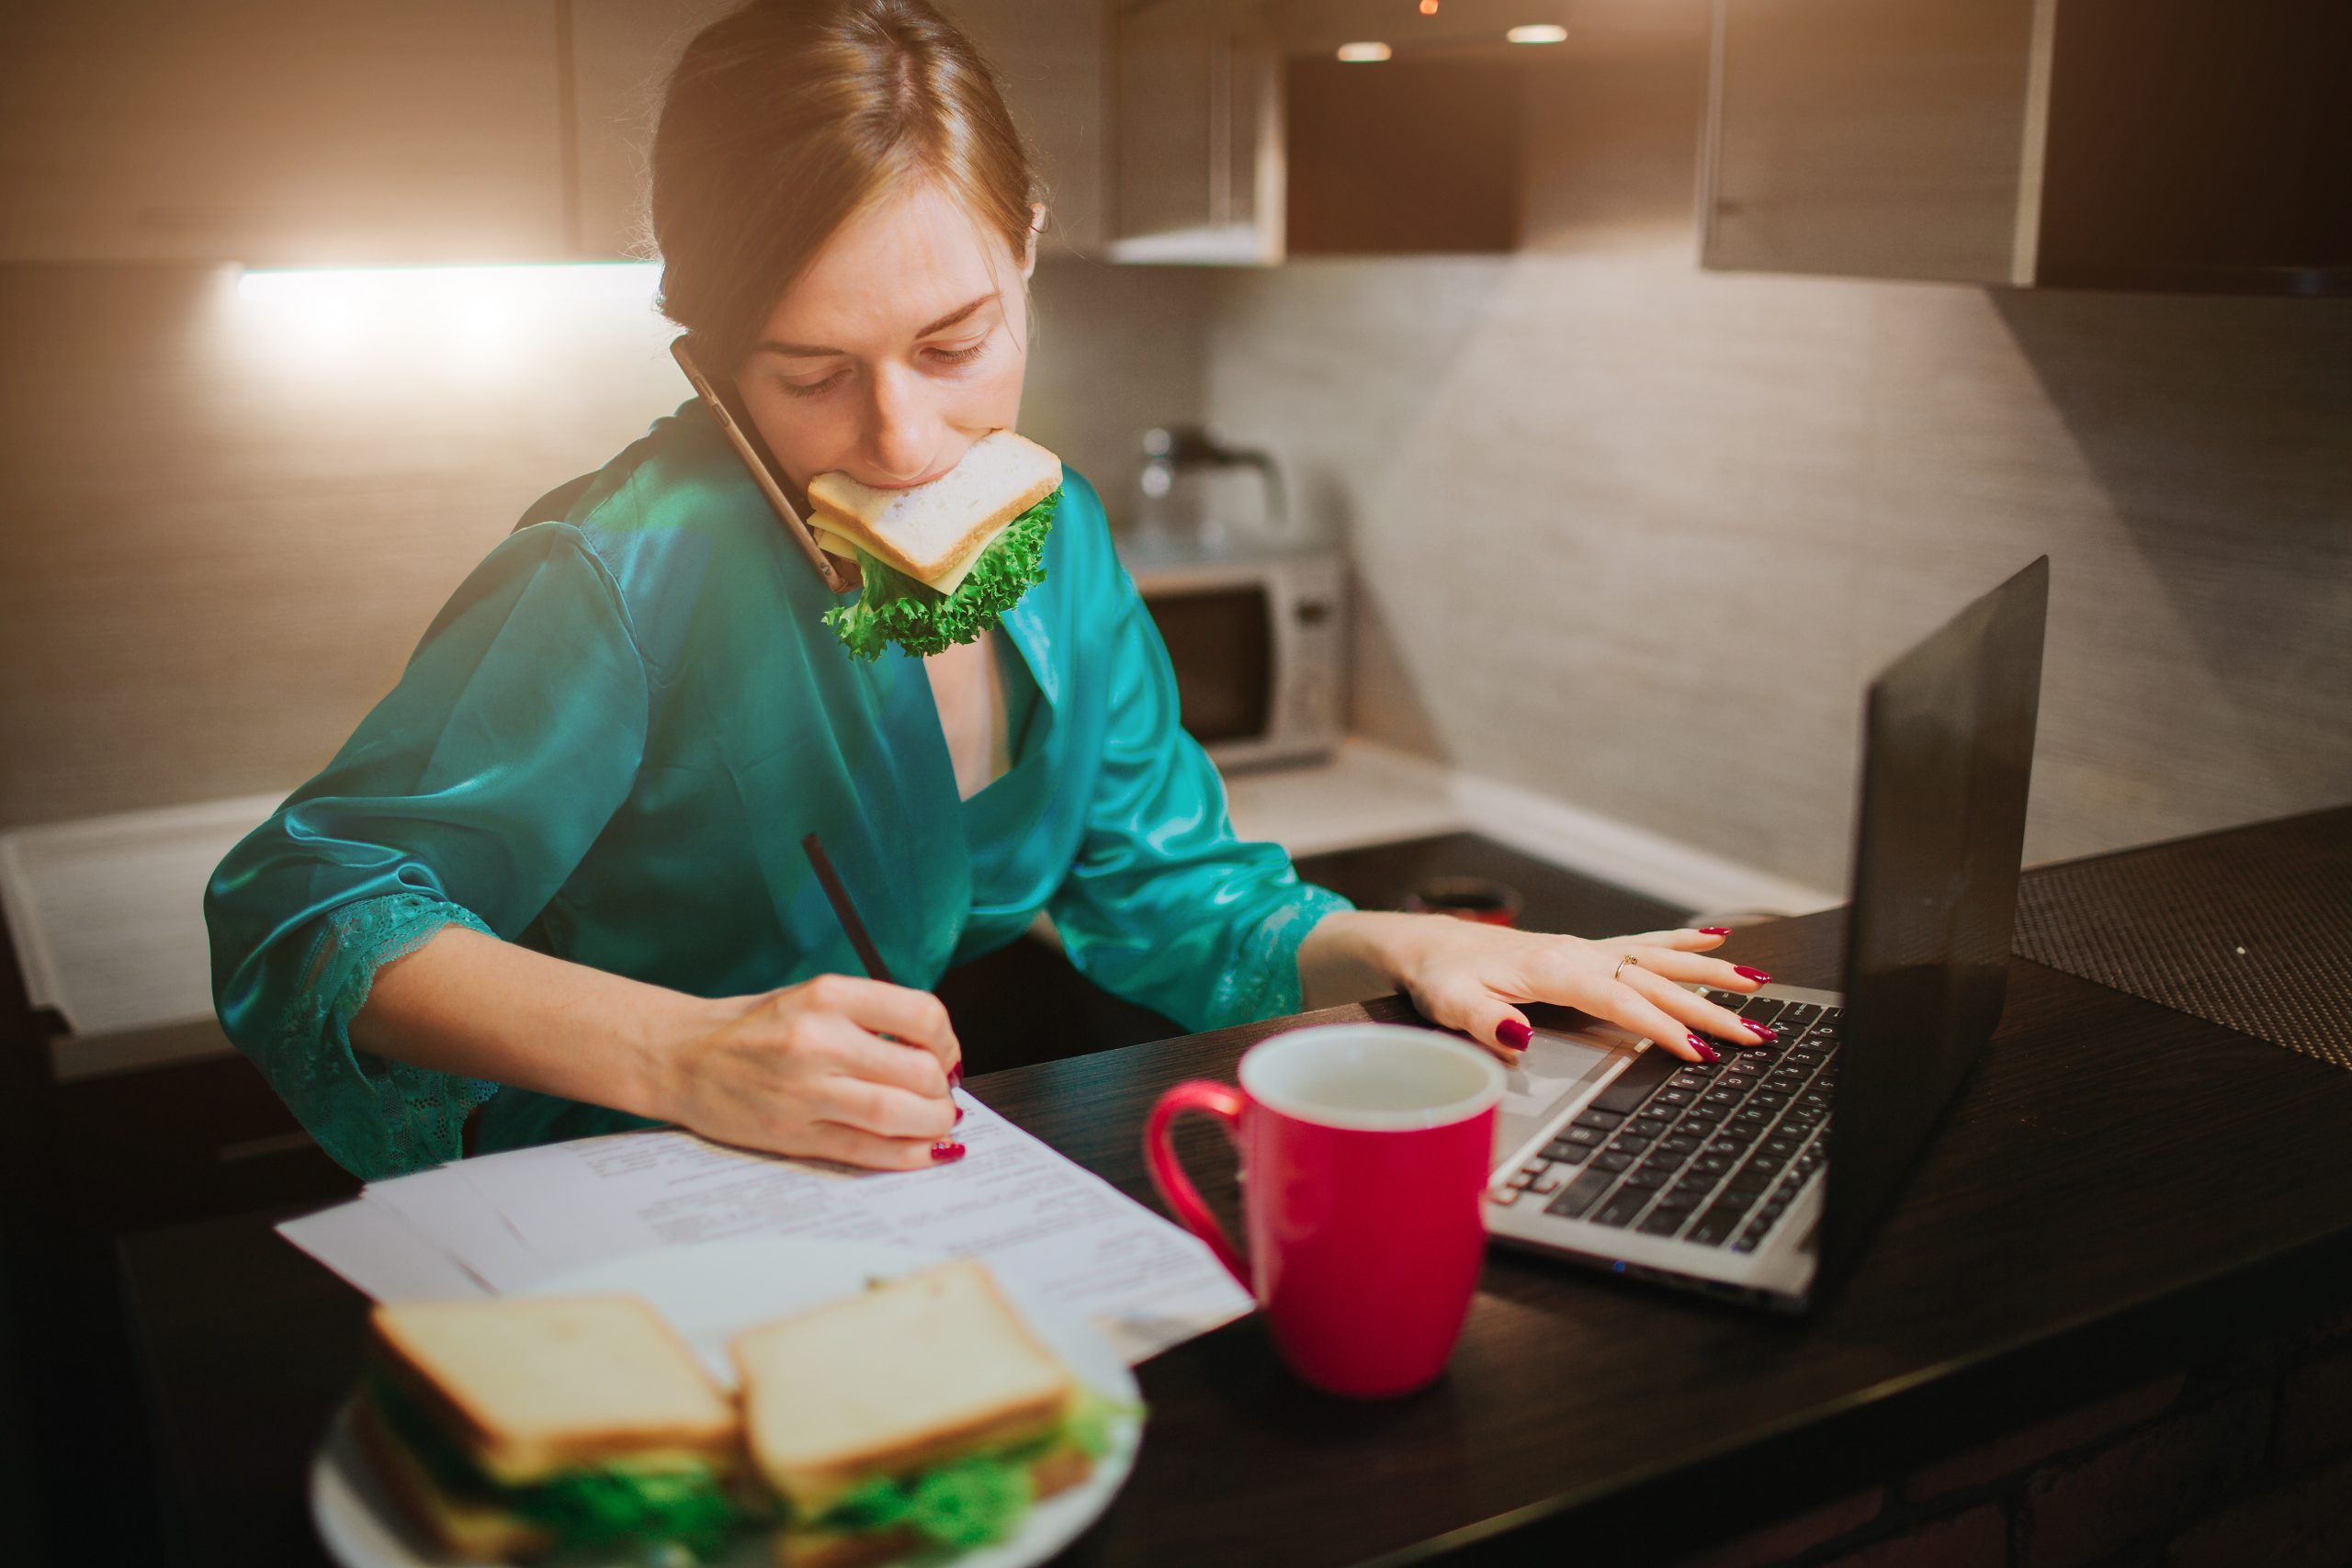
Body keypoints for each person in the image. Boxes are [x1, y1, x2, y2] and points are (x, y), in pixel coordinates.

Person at [203, 0, 1770, 1185]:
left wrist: (1403, 947)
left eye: (958, 347)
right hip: (603, 1207)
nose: (903, 442)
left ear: (1028, 250)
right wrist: (683, 1050)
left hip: (863, 1197)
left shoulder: (1062, 532)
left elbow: (1171, 895)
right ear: (703, 352)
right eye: (807, 374)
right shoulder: (618, 567)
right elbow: (306, 910)